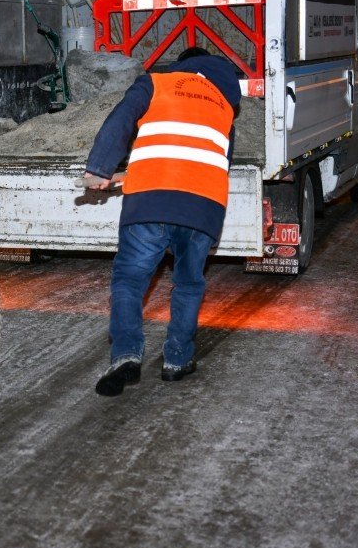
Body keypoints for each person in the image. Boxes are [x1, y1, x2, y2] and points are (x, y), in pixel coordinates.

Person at [84, 47, 241, 396]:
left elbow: (122, 118)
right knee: (188, 283)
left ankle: (125, 355)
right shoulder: (224, 109)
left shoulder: (156, 84)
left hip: (150, 201)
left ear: (181, 66)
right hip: (202, 206)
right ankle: (177, 360)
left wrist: (100, 167)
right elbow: (217, 161)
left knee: (129, 281)